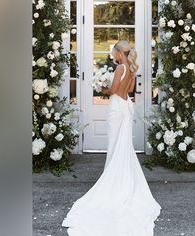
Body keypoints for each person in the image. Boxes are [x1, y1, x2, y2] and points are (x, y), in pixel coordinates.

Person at [62, 40, 162, 236]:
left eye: (113, 51)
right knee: (123, 144)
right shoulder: (131, 69)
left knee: (114, 144)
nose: (112, 54)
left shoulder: (119, 68)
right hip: (127, 106)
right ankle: (122, 177)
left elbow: (115, 89)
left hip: (117, 107)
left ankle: (113, 179)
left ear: (119, 53)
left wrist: (101, 88)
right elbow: (130, 90)